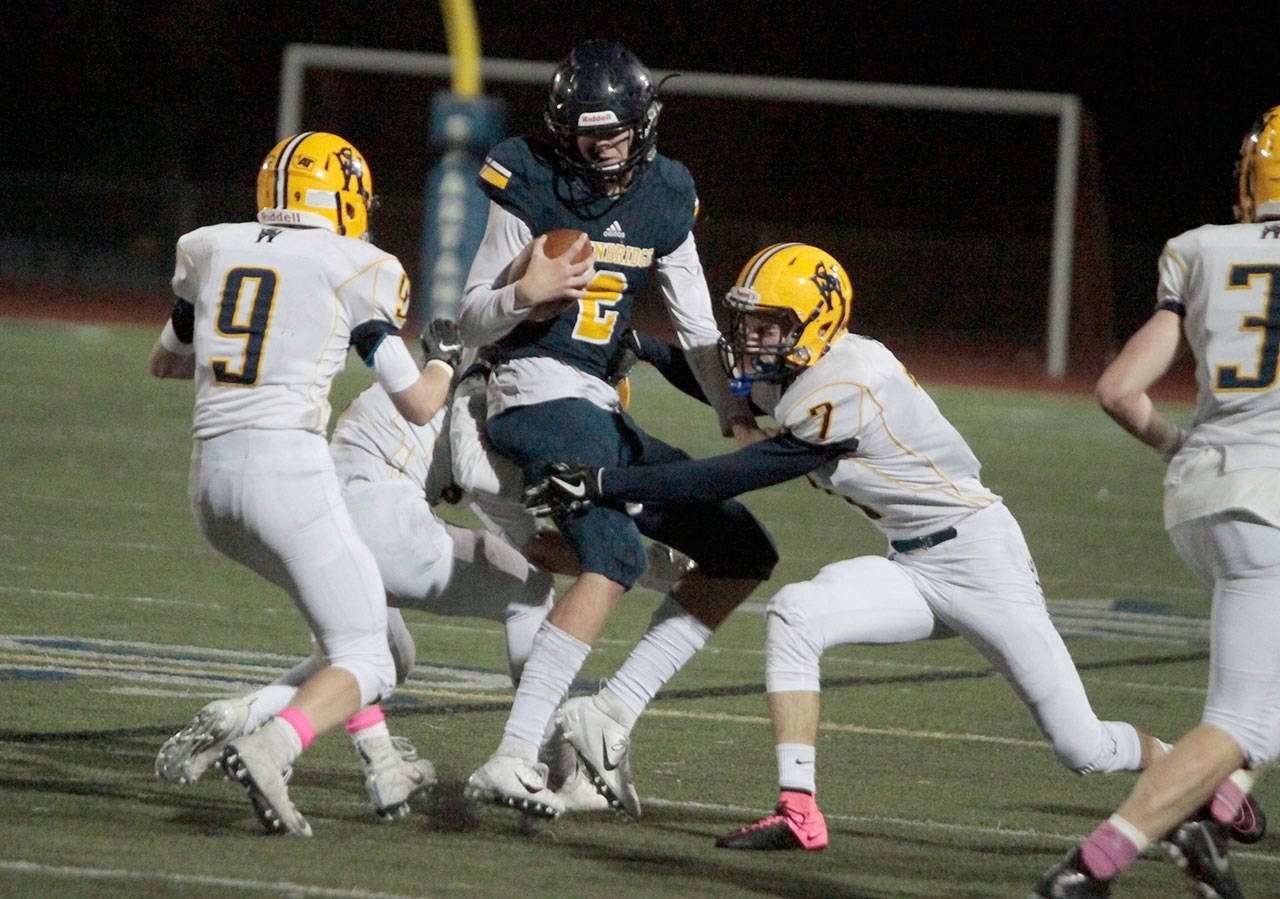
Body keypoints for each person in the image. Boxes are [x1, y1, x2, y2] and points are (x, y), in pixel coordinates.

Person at [524, 242, 1174, 851]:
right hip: (914, 562)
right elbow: (726, 387)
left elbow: (727, 475)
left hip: (980, 559)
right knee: (796, 613)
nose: (750, 339)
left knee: (1081, 746)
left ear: (816, 323)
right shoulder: (799, 361)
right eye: (746, 322)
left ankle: (1198, 777)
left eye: (767, 325)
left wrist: (607, 482)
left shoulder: (849, 382)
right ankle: (798, 810)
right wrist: (644, 346)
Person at [456, 39, 779, 819]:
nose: (599, 149)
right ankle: (512, 753)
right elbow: (468, 316)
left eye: (612, 132)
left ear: (645, 122)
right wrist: (521, 294)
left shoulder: (666, 193)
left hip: (600, 404)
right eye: (584, 134)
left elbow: (700, 329)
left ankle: (609, 715)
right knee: (613, 552)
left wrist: (733, 410)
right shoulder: (527, 174)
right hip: (531, 388)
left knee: (742, 550)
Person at [154, 321, 600, 817]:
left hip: (321, 517)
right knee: (530, 591)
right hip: (385, 517)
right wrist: (624, 563)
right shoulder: (496, 389)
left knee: (383, 656)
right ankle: (551, 766)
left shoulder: (438, 376)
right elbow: (519, 527)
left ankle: (246, 716)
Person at [148, 131, 455, 836]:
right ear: (345, 197)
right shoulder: (354, 262)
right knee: (369, 653)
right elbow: (417, 404)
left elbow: (165, 362)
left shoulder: (211, 246)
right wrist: (446, 357)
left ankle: (378, 760)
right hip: (286, 469)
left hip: (210, 486)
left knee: (353, 626)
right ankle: (272, 741)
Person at [1032, 108, 1280, 898]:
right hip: (1270, 509)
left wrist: (1183, 448)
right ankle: (1092, 866)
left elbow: (1116, 389)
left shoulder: (1201, 248)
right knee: (1240, 719)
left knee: (1257, 703)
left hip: (1202, 495)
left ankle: (1218, 807)